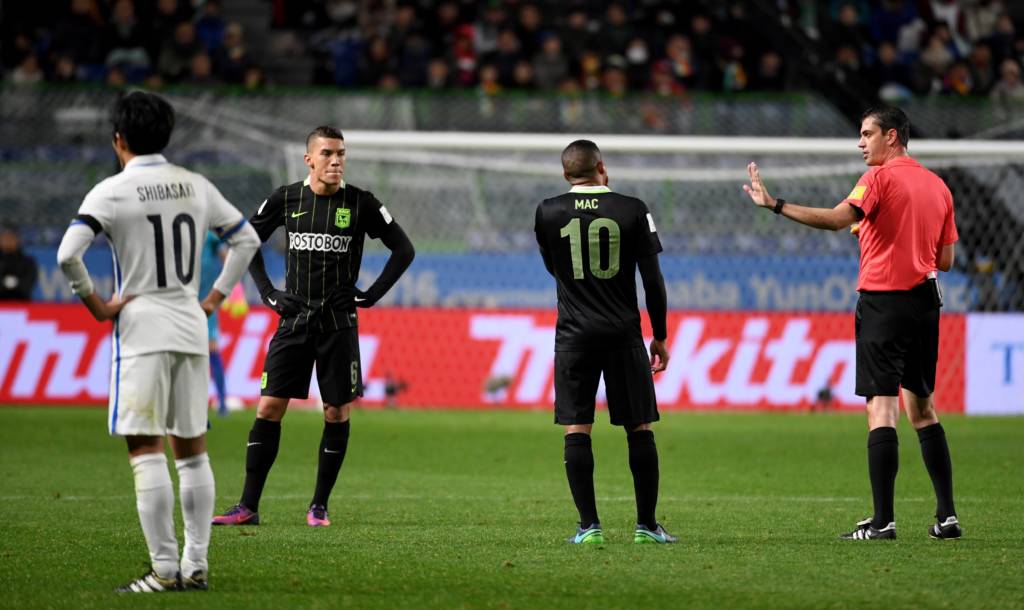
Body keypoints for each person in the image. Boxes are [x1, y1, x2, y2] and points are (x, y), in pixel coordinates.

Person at [56, 91, 260, 592]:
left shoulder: (111, 191)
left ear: (118, 140)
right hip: (190, 324)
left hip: (142, 327)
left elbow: (67, 254)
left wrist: (97, 305)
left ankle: (165, 570)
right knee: (192, 452)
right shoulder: (195, 185)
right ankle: (196, 565)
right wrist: (213, 298)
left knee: (146, 450)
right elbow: (247, 239)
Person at [742, 105, 961, 541]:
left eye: (867, 134)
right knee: (923, 409)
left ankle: (882, 522)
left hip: (884, 302)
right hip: (925, 303)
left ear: (892, 136)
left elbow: (836, 219)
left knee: (881, 408)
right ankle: (947, 517)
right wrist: (889, 236)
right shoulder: (938, 186)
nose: (860, 143)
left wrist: (775, 204)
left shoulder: (877, 179)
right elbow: (946, 260)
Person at [213, 125, 415, 528]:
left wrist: (369, 295)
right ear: (309, 159)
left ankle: (319, 506)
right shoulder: (286, 198)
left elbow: (403, 249)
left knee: (336, 411)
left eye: (341, 153)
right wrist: (268, 293)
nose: (336, 160)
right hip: (295, 321)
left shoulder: (360, 202)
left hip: (338, 325)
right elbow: (245, 241)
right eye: (327, 153)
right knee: (269, 406)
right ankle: (247, 506)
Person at [534, 139, 675, 545]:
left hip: (574, 333)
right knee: (638, 426)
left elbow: (554, 267)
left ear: (566, 174)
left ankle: (589, 527)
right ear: (602, 168)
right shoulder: (633, 209)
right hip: (623, 333)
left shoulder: (548, 211)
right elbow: (653, 281)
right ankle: (647, 526)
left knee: (577, 427)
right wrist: (659, 335)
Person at [199, 230, 228, 416]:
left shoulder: (209, 235)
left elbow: (226, 256)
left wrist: (231, 285)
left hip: (207, 301)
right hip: (184, 301)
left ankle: (222, 401)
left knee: (212, 348)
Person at [0, 223, 38, 300]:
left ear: (17, 240)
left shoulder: (28, 262)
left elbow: (27, 285)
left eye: (11, 238)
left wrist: (15, 284)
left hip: (22, 303)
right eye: (5, 238)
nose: (8, 241)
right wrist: (4, 284)